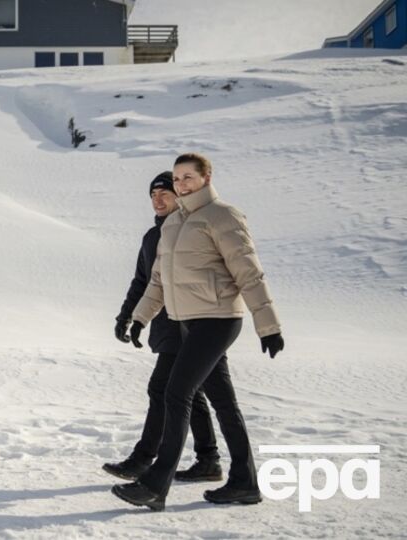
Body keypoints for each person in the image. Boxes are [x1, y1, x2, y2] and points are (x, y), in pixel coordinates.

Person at [112, 153, 285, 511]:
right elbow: (158, 280)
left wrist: (267, 325)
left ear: (206, 178)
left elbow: (248, 272)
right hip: (187, 321)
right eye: (177, 179)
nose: (181, 184)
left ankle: (156, 485)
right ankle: (244, 482)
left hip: (219, 319)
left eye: (188, 177)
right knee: (223, 402)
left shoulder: (223, 216)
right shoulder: (173, 223)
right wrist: (140, 318)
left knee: (176, 393)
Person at [104, 172, 222, 483]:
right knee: (190, 393)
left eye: (164, 193)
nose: (158, 199)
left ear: (180, 195)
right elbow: (143, 281)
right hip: (165, 323)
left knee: (162, 389)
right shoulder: (151, 237)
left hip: (190, 321)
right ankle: (208, 460)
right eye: (153, 195)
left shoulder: (189, 231)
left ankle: (144, 459)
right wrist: (126, 316)